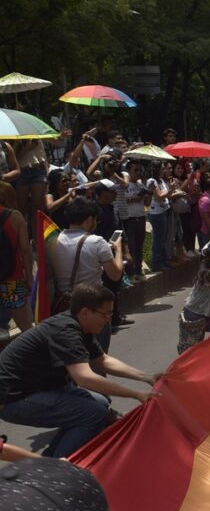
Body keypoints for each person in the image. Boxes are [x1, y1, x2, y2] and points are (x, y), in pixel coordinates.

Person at [0, 283, 161, 457]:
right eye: (105, 314)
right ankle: (55, 471)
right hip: (14, 399)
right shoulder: (65, 331)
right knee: (94, 414)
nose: (108, 319)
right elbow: (85, 378)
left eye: (111, 313)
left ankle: (49, 458)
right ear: (85, 312)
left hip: (42, 388)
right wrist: (136, 394)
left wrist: (147, 377)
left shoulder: (80, 326)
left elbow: (103, 361)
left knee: (101, 403)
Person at [47, 197, 124, 352]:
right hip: (93, 307)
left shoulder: (53, 240)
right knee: (97, 359)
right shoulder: (97, 242)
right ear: (89, 220)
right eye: (96, 220)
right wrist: (118, 249)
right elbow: (115, 274)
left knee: (72, 361)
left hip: (65, 306)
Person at [0, 182, 33, 333]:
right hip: (12, 278)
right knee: (25, 326)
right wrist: (30, 277)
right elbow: (26, 250)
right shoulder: (15, 216)